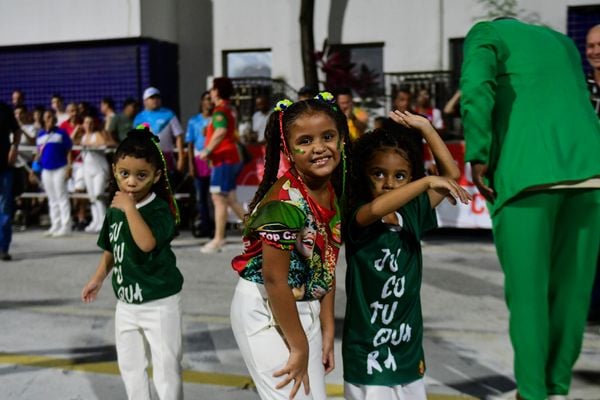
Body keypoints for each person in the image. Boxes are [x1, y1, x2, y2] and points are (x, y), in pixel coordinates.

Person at [460, 18, 600, 400]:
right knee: (572, 295)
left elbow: (477, 88)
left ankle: (534, 392)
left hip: (527, 175)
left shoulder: (486, 33)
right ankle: (557, 387)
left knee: (528, 295)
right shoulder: (563, 42)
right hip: (591, 173)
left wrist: (479, 152)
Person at [342, 111, 470, 400]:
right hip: (367, 349)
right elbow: (376, 210)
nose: (389, 183)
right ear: (363, 174)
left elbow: (450, 175)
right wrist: (425, 182)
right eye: (378, 174)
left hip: (407, 348)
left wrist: (425, 128)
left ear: (410, 176)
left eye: (400, 176)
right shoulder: (358, 216)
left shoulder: (412, 213)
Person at [230, 92, 350, 400]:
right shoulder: (285, 203)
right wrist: (299, 345)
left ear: (341, 139)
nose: (319, 147)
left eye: (328, 136)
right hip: (265, 310)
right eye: (305, 141)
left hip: (302, 306)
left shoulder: (331, 190)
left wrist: (327, 329)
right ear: (289, 149)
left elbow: (326, 264)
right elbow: (274, 280)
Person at [81, 128, 184, 400]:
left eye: (141, 175)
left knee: (166, 368)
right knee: (130, 367)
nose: (131, 182)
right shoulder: (116, 207)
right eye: (124, 174)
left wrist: (129, 209)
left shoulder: (159, 209)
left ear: (156, 176)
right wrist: (98, 277)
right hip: (126, 304)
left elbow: (146, 243)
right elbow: (111, 247)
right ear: (114, 170)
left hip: (158, 302)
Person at [199, 77, 246, 253]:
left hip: (223, 159)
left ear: (217, 91)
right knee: (231, 200)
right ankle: (256, 233)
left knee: (219, 199)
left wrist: (207, 150)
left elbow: (221, 131)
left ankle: (219, 239)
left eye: (212, 89)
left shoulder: (220, 111)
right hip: (229, 158)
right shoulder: (229, 109)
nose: (210, 92)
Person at [34, 109, 73, 237]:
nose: (49, 119)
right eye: (47, 117)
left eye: (51, 117)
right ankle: (55, 225)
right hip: (46, 169)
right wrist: (34, 170)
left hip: (60, 168)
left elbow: (68, 150)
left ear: (54, 119)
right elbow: (38, 153)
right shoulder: (40, 135)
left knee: (62, 196)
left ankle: (65, 226)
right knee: (52, 198)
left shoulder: (61, 133)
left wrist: (69, 167)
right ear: (43, 120)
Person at [584, 25, 600, 324]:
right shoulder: (579, 87)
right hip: (586, 176)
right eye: (590, 46)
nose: (595, 51)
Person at [134, 87, 185, 174]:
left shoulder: (169, 114)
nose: (155, 100)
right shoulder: (139, 118)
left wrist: (181, 158)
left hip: (166, 156)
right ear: (145, 101)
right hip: (147, 158)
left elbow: (179, 136)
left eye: (157, 97)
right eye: (152, 98)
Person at [185, 91, 214, 237]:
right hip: (198, 160)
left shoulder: (217, 119)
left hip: (214, 161)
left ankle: (215, 226)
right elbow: (189, 144)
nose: (209, 102)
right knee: (200, 197)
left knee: (214, 196)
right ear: (202, 102)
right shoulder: (193, 121)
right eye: (206, 99)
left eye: (211, 99)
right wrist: (190, 164)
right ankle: (205, 226)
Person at [80, 115, 112, 233]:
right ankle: (95, 220)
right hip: (88, 170)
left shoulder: (97, 135)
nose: (88, 125)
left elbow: (103, 143)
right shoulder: (83, 137)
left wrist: (90, 145)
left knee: (99, 195)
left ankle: (104, 222)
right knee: (92, 197)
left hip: (99, 170)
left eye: (91, 122)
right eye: (86, 122)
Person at [0, 101, 23, 260]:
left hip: (4, 166)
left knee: (4, 208)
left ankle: (3, 247)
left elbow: (17, 130)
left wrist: (14, 148)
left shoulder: (4, 109)